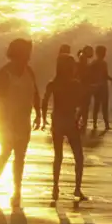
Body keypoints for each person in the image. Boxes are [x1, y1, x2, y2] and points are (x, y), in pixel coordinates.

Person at [0, 38, 41, 208]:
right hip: (5, 119)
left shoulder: (29, 71)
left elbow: (35, 93)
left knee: (20, 156)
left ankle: (17, 191)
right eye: (26, 52)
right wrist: (7, 124)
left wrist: (39, 114)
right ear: (18, 53)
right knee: (6, 152)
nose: (29, 56)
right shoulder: (3, 74)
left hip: (23, 120)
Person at [41, 54, 87, 202]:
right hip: (70, 121)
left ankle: (55, 188)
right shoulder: (76, 84)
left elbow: (45, 101)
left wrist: (43, 118)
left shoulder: (53, 83)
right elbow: (82, 104)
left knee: (58, 156)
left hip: (57, 121)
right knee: (79, 157)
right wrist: (79, 119)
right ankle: (77, 189)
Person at [91, 45, 112, 131]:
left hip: (102, 86)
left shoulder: (102, 63)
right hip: (99, 87)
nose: (105, 54)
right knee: (98, 106)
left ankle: (105, 124)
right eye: (103, 52)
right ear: (98, 53)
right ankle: (98, 124)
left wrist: (111, 79)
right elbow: (90, 75)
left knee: (101, 106)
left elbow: (105, 75)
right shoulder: (95, 63)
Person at [75, 46, 95, 132]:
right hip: (83, 86)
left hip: (83, 86)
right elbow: (82, 74)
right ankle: (82, 123)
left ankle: (79, 122)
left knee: (83, 106)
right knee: (84, 106)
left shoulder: (82, 58)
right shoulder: (83, 58)